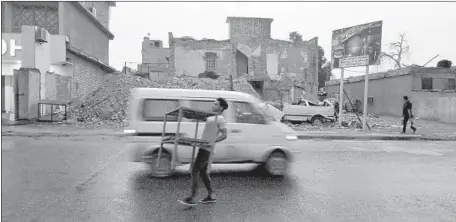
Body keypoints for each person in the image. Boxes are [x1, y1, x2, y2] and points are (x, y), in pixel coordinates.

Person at [179, 98, 228, 206]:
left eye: (216, 104)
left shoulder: (220, 119)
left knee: (194, 170)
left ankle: (192, 197)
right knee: (203, 172)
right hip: (203, 147)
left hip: (207, 149)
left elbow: (224, 135)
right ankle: (211, 195)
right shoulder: (211, 117)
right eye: (213, 103)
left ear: (221, 107)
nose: (213, 105)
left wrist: (212, 141)